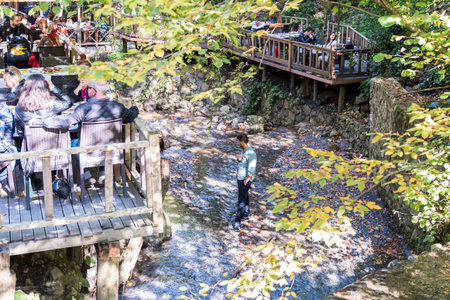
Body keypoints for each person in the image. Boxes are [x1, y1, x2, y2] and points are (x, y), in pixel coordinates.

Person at [42, 80, 139, 186]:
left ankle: (87, 176)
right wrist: (135, 108)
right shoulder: (117, 107)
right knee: (105, 141)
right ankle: (103, 174)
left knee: (73, 143)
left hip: (87, 151)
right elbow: (130, 116)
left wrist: (46, 120)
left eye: (89, 89)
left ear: (93, 91)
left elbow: (66, 121)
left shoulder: (84, 108)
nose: (87, 90)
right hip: (110, 150)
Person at [14, 74, 73, 138]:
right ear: (45, 88)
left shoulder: (19, 108)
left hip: (30, 145)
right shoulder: (52, 104)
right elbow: (68, 102)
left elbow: (20, 132)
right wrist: (53, 88)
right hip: (54, 145)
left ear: (26, 88)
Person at [233, 133, 257, 231]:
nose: (238, 143)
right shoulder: (244, 150)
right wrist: (239, 159)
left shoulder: (251, 153)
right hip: (241, 177)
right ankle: (246, 214)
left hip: (244, 179)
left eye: (238, 141)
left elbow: (252, 167)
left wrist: (247, 179)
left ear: (242, 142)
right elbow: (244, 162)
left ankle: (237, 222)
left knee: (241, 200)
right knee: (245, 196)